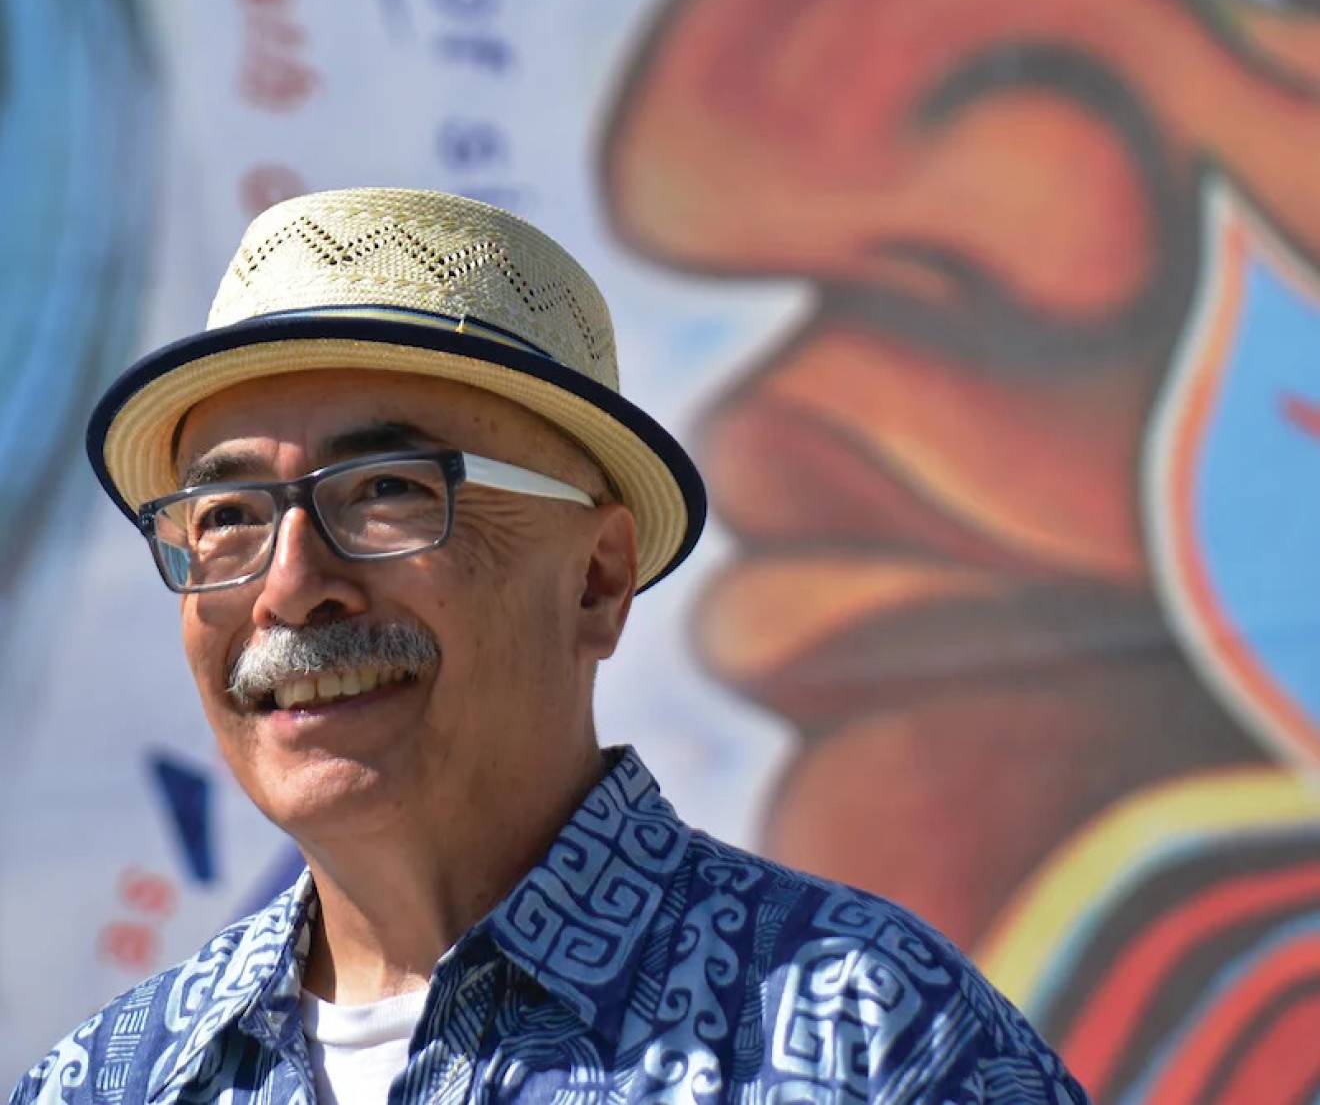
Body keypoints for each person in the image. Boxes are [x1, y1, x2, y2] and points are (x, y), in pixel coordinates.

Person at [9, 189, 1089, 1103]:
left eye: (387, 490)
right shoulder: (114, 1081)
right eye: (228, 516)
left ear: (598, 577)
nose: (291, 587)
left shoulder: (859, 1041)